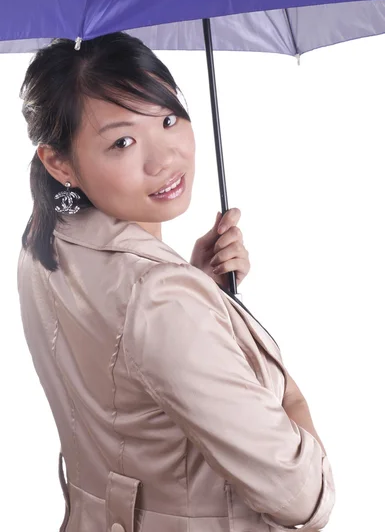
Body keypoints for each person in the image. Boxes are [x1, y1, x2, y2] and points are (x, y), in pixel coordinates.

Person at [17, 32, 335, 532]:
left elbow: (126, 393)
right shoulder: (162, 300)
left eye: (168, 119)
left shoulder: (45, 245)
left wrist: (197, 287)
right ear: (58, 163)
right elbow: (303, 497)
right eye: (122, 141)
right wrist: (220, 328)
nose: (163, 159)